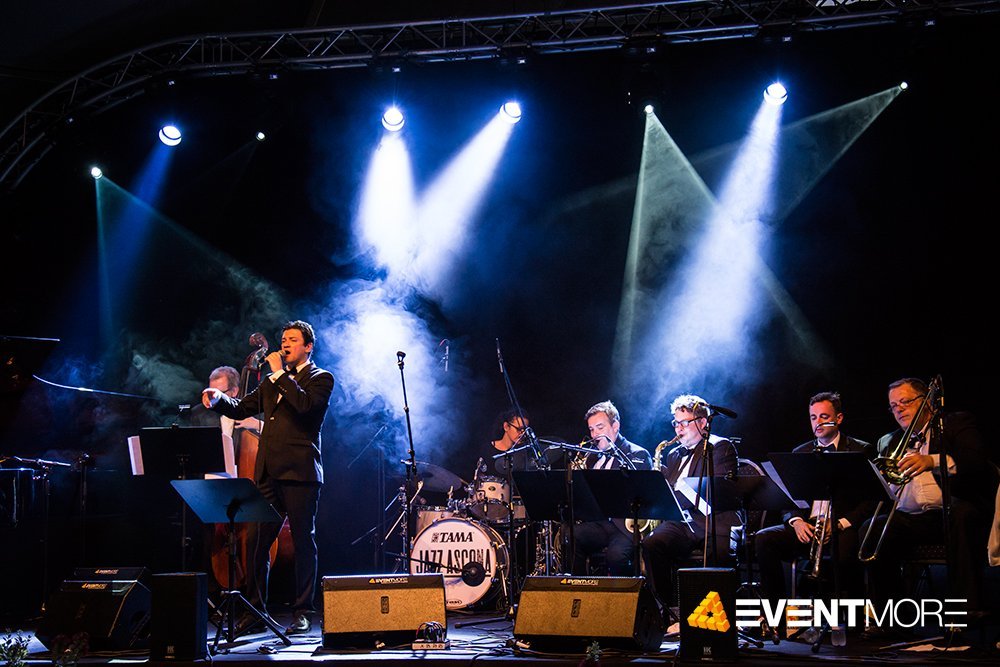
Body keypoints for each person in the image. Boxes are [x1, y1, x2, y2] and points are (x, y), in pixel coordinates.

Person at [202, 320, 333, 634]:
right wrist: (219, 399)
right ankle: (255, 612)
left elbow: (304, 407)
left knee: (303, 541)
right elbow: (242, 407)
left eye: (292, 340)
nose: (285, 344)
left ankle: (303, 611)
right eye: (283, 339)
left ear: (308, 346)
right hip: (268, 473)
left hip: (300, 473)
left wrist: (278, 374)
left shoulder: (320, 378)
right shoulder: (274, 382)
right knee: (257, 543)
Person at [861, 377, 998, 618]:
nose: (899, 409)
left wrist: (931, 461)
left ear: (926, 401)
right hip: (912, 519)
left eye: (905, 401)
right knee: (872, 529)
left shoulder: (954, 424)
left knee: (961, 514)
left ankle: (967, 610)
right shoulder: (889, 440)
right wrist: (883, 481)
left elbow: (975, 463)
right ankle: (892, 618)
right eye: (893, 406)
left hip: (952, 510)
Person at [754, 392, 874, 622]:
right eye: (813, 417)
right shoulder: (800, 452)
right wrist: (796, 521)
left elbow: (870, 501)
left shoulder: (860, 450)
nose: (817, 422)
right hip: (808, 525)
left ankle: (851, 619)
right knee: (764, 539)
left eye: (824, 417)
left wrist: (839, 524)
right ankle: (776, 616)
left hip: (842, 525)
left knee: (846, 551)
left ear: (839, 418)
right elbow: (789, 498)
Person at [642, 394, 739, 615]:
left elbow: (715, 491)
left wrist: (671, 497)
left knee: (720, 552)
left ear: (702, 422)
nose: (678, 428)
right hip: (684, 522)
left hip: (714, 520)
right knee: (652, 543)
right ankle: (666, 611)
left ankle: (718, 615)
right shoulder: (674, 455)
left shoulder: (720, 447)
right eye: (676, 423)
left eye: (684, 423)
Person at [570, 400, 652, 576]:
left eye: (600, 428)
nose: (595, 434)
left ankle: (628, 592)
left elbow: (641, 495)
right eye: (591, 429)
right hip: (600, 523)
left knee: (616, 557)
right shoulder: (592, 457)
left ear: (615, 426)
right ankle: (579, 588)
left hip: (624, 527)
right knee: (570, 536)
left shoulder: (637, 454)